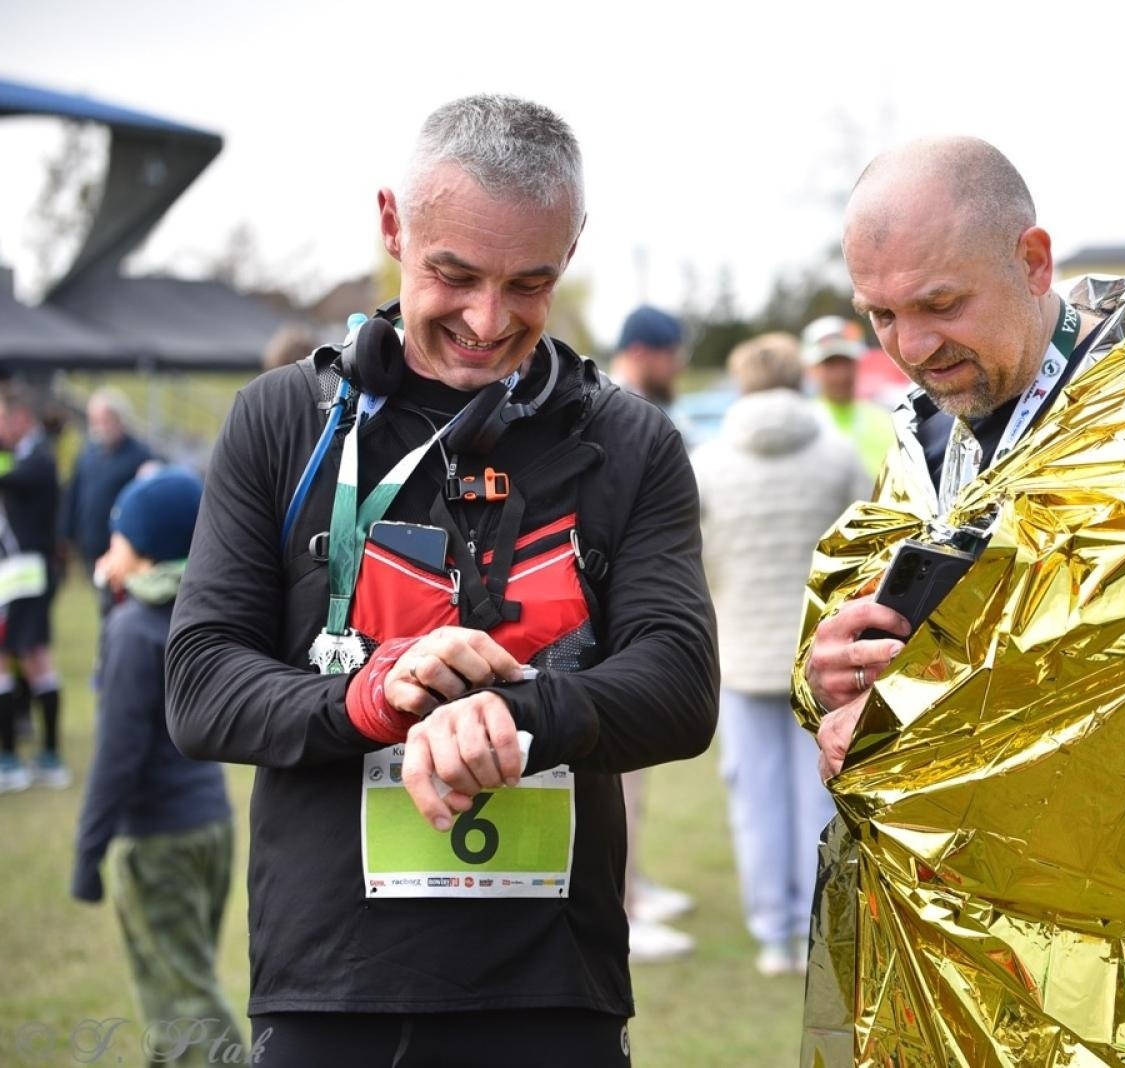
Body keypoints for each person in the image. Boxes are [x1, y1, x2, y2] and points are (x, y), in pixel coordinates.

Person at [165, 94, 718, 1064]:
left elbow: (679, 688)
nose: (487, 320)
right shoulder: (282, 419)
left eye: (530, 283)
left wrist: (512, 716)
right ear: (393, 224)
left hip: (554, 983)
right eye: (453, 275)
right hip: (329, 982)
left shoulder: (630, 440)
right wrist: (370, 700)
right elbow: (201, 684)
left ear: (572, 246)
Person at [792, 138, 1125, 1065]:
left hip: (1116, 941)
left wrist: (898, 718)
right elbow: (854, 594)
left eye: (940, 304)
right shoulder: (935, 428)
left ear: (1033, 261)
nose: (912, 348)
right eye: (881, 315)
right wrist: (828, 671)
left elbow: (1118, 632)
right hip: (926, 941)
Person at [691, 332, 870, 977]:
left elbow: (695, 561)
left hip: (739, 653)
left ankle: (772, 931)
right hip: (823, 658)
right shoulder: (839, 455)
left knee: (755, 799)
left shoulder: (707, 463)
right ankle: (817, 926)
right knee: (819, 796)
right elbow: (865, 552)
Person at [71, 467, 240, 1063]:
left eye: (117, 537)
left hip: (157, 842)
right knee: (175, 993)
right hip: (210, 826)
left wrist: (88, 853)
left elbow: (116, 756)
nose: (106, 551)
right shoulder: (197, 614)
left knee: (186, 1005)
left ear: (144, 548)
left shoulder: (131, 630)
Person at [605, 302, 699, 961]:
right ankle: (621, 910)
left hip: (633, 614)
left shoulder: (632, 408)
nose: (679, 368)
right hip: (615, 623)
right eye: (672, 356)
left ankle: (634, 883)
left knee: (635, 772)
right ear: (644, 352)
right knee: (618, 776)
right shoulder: (622, 414)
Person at [0, 382, 66, 791]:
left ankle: (22, 759)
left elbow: (12, 478)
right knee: (26, 659)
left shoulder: (38, 459)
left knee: (29, 659)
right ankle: (35, 755)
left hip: (27, 576)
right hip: (21, 575)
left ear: (20, 418)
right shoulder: (24, 456)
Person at [59, 388, 154, 597]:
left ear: (119, 419)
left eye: (105, 420)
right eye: (95, 420)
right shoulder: (88, 454)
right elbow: (74, 493)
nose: (100, 426)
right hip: (90, 544)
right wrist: (65, 533)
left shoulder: (139, 455)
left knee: (119, 600)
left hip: (121, 545)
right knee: (102, 599)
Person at [802, 314, 897, 478]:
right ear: (812, 369)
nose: (841, 375)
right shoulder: (803, 424)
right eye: (830, 365)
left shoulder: (886, 420)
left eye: (846, 363)